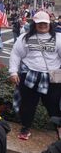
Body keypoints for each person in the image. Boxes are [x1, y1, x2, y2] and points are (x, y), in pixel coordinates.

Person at [9, 11, 61, 140]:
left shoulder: (58, 38)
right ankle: (26, 127)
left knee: (54, 104)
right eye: (39, 23)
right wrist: (13, 72)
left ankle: (59, 129)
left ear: (50, 23)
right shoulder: (24, 37)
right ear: (34, 24)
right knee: (27, 104)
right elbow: (15, 54)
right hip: (30, 74)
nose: (42, 25)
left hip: (53, 75)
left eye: (45, 23)